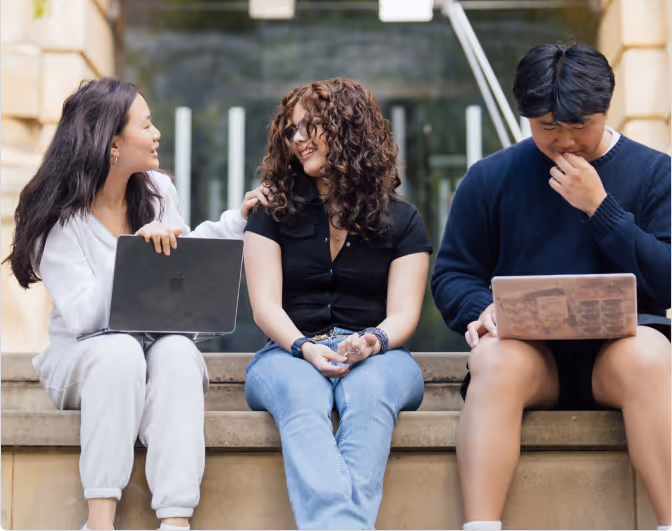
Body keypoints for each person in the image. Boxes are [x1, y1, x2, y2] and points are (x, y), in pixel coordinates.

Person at [431, 43, 671, 531]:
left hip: (619, 358)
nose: (565, 142)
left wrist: (600, 208)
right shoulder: (490, 178)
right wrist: (482, 309)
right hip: (528, 360)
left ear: (606, 110)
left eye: (580, 126)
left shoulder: (654, 173)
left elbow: (665, 280)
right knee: (493, 358)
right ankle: (481, 526)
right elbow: (453, 273)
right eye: (547, 128)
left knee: (648, 354)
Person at [6, 78, 251, 531]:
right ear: (112, 143)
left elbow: (182, 261)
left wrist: (239, 220)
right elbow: (83, 317)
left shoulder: (156, 191)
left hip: (152, 344)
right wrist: (134, 257)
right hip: (82, 358)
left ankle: (175, 520)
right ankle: (100, 522)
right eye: (147, 123)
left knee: (178, 351)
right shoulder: (59, 215)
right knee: (118, 351)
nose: (157, 133)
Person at [240, 77, 432, 530]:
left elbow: (404, 314)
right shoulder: (271, 212)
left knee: (370, 392)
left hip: (379, 356)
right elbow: (265, 307)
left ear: (349, 128)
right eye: (292, 130)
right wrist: (304, 348)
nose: (299, 139)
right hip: (287, 353)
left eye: (312, 126)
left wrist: (373, 341)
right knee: (301, 393)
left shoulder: (401, 219)